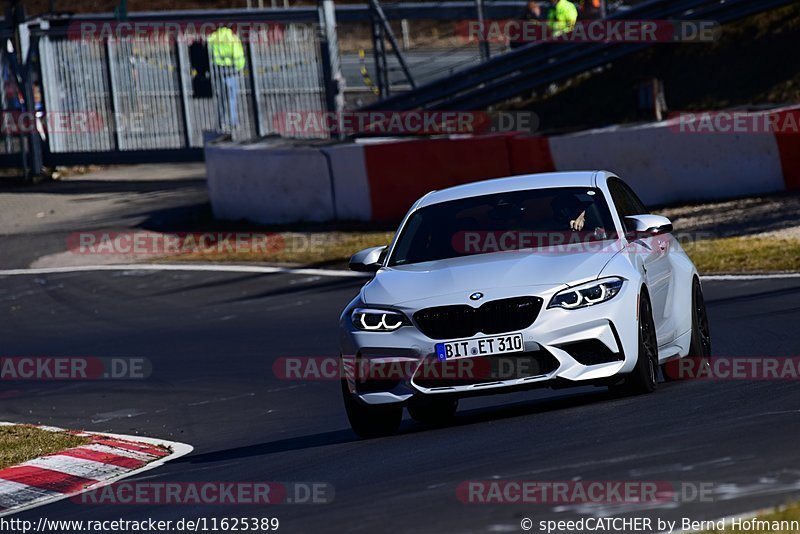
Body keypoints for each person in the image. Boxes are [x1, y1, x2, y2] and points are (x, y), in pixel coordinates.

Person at [207, 25, 246, 131]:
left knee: (221, 98)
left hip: (218, 71)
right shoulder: (233, 38)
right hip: (231, 72)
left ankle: (221, 123)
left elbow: (208, 55)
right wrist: (239, 68)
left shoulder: (212, 38)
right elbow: (238, 55)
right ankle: (233, 122)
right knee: (232, 97)